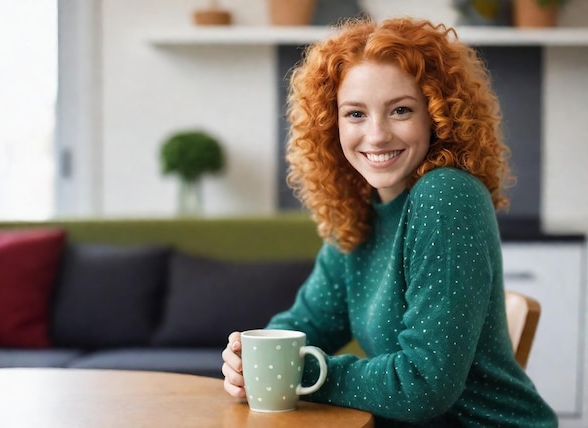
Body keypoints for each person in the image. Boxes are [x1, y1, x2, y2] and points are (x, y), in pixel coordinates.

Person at [221, 17, 557, 427]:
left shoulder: (446, 196)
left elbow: (422, 386)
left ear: (437, 114)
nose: (376, 135)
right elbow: (304, 324)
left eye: (400, 110)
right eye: (355, 114)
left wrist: (298, 371)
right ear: (332, 123)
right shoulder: (359, 210)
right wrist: (250, 359)